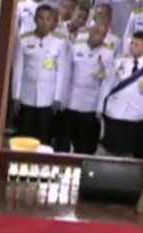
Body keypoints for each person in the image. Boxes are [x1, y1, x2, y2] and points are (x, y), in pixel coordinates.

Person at [11, 4, 70, 146]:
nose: (44, 22)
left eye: (48, 19)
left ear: (52, 21)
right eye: (41, 18)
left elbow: (61, 71)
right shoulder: (24, 39)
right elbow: (19, 68)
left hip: (48, 97)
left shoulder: (59, 41)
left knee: (44, 136)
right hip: (27, 96)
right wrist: (16, 95)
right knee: (25, 134)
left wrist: (58, 97)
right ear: (35, 20)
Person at [56, 22, 115, 153]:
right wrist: (61, 97)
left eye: (102, 35)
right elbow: (66, 73)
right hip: (71, 101)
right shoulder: (76, 46)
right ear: (90, 32)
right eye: (96, 33)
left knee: (86, 144)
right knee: (63, 141)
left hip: (91, 104)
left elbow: (108, 81)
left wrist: (100, 106)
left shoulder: (108, 53)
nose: (99, 37)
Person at [99, 31, 143, 158]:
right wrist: (100, 106)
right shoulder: (120, 61)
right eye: (132, 43)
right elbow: (108, 84)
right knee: (111, 148)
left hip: (137, 114)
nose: (132, 46)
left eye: (137, 44)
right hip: (115, 111)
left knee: (131, 150)